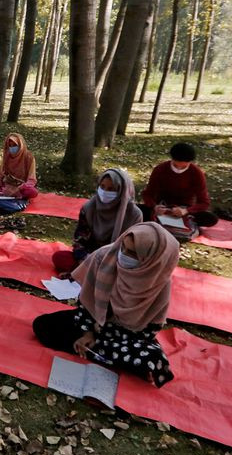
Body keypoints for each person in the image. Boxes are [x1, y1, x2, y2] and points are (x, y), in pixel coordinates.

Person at [32, 222, 179, 388]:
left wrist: (108, 335)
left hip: (128, 334)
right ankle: (108, 355)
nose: (123, 254)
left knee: (151, 358)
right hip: (93, 321)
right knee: (43, 325)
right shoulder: (105, 257)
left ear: (152, 260)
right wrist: (87, 334)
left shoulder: (159, 279)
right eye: (123, 247)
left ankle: (102, 352)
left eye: (133, 253)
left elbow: (150, 329)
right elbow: (86, 302)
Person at [52, 168, 143, 275]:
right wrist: (84, 259)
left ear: (121, 191)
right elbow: (80, 239)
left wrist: (108, 261)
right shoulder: (89, 208)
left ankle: (91, 274)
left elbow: (132, 249)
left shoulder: (133, 214)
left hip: (116, 261)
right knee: (60, 258)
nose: (105, 192)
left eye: (111, 189)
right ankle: (91, 273)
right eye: (102, 187)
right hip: (90, 256)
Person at [140, 142, 218, 235]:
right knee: (135, 210)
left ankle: (184, 221)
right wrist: (154, 206)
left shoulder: (196, 173)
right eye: (176, 165)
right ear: (171, 159)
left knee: (211, 218)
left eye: (184, 167)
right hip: (163, 208)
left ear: (190, 162)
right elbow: (148, 194)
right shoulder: (160, 169)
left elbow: (204, 202)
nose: (179, 169)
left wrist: (186, 211)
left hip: (185, 209)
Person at [0, 133, 38, 200]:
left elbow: (31, 179)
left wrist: (17, 189)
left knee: (33, 192)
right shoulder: (7, 156)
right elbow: (0, 174)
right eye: (10, 146)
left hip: (21, 187)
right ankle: (6, 194)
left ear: (21, 145)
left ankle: (18, 195)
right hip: (6, 186)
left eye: (14, 145)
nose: (12, 148)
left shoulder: (28, 157)